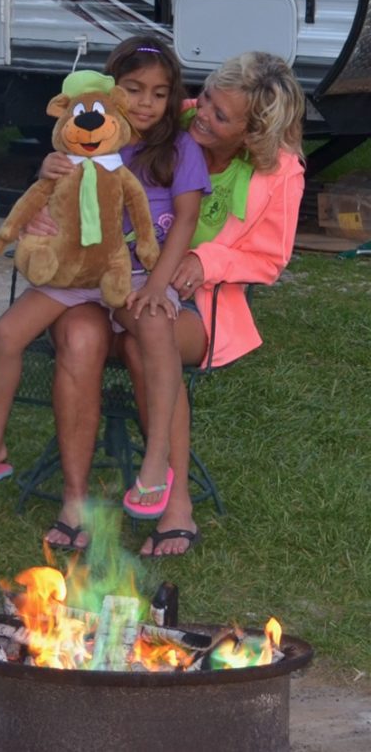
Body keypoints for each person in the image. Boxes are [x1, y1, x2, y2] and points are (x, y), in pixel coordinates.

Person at [41, 51, 305, 554]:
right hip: (101, 282)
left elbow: (271, 259)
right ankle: (74, 501)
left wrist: (209, 261)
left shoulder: (280, 174)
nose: (199, 112)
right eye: (205, 97)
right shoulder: (162, 114)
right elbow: (78, 136)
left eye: (219, 115)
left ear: (250, 136)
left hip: (189, 304)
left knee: (149, 334)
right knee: (77, 336)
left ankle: (172, 495)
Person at [0, 38, 210, 543]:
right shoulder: (82, 137)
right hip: (80, 282)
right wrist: (45, 179)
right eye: (133, 90)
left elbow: (186, 220)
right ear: (110, 90)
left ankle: (157, 466)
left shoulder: (178, 148)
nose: (145, 104)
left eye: (159, 93)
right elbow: (51, 204)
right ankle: (63, 494)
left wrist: (158, 285)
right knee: (19, 334)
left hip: (136, 279)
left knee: (155, 326)